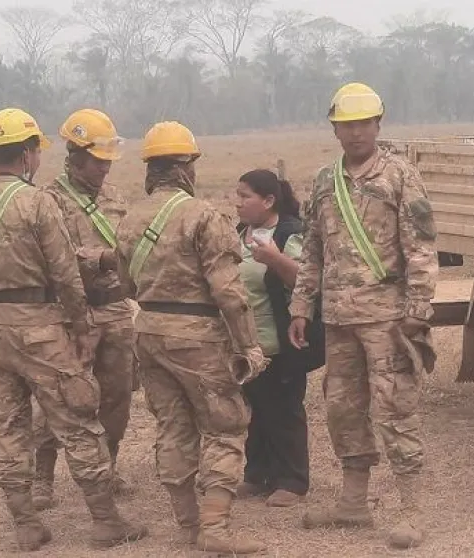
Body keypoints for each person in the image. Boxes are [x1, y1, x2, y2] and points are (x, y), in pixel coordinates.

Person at [0, 107, 148, 551]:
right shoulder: (40, 202)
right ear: (28, 154)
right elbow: (65, 276)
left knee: (7, 426)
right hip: (41, 329)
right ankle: (104, 520)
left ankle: (25, 524)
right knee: (78, 420)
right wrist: (79, 328)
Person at [287, 83, 439, 550]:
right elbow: (312, 248)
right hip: (337, 317)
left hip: (388, 318)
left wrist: (417, 309)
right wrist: (300, 305)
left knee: (396, 409)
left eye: (362, 124)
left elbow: (420, 245)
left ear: (378, 124)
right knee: (342, 409)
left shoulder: (399, 175)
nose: (354, 133)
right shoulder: (323, 181)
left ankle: (411, 511)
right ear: (334, 128)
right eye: (346, 125)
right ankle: (354, 504)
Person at [114, 121, 269, 554]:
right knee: (224, 427)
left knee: (173, 428)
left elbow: (124, 286)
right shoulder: (204, 216)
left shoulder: (130, 219)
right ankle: (214, 528)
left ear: (151, 168)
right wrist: (249, 347)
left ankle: (186, 525)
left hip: (149, 332)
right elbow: (229, 293)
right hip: (199, 337)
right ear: (186, 167)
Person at [30, 108, 137, 510]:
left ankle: (107, 468)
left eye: (109, 160)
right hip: (69, 314)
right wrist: (96, 260)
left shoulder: (117, 199)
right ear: (74, 156)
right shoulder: (48, 201)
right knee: (59, 397)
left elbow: (128, 251)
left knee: (117, 397)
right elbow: (48, 260)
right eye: (97, 160)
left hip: (115, 312)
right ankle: (43, 477)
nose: (104, 169)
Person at [233, 169, 322, 508]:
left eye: (246, 196)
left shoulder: (288, 234)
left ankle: (293, 480)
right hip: (248, 343)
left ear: (269, 201)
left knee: (284, 409)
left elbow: (307, 279)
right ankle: (257, 475)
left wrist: (274, 259)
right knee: (256, 410)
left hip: (284, 340)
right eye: (237, 195)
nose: (238, 202)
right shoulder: (241, 233)